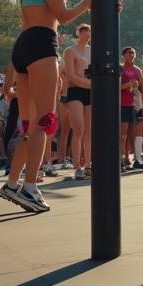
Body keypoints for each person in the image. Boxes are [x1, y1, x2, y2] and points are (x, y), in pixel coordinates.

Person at [0, 0, 91, 213]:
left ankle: (12, 184)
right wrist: (89, 2)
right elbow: (63, 16)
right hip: (41, 44)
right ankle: (30, 187)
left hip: (23, 45)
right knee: (46, 121)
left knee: (29, 126)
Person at [63, 24, 92, 179]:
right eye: (83, 30)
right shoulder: (70, 51)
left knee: (89, 130)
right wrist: (90, 84)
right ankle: (77, 167)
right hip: (75, 91)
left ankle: (88, 164)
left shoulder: (93, 50)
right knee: (78, 128)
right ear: (78, 33)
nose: (86, 33)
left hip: (90, 92)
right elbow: (71, 76)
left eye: (89, 31)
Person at [120, 47, 143, 171]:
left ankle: (130, 158)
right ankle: (120, 159)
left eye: (133, 53)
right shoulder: (120, 68)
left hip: (134, 104)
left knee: (132, 133)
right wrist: (128, 84)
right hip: (122, 103)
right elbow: (117, 86)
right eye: (128, 53)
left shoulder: (137, 70)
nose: (131, 55)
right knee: (123, 133)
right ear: (123, 55)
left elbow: (141, 87)